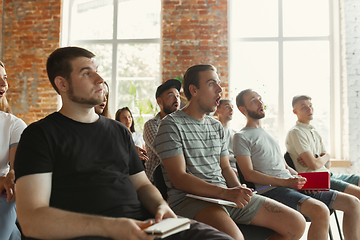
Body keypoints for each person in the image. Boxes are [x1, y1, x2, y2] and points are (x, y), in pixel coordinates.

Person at [14, 46, 234, 240]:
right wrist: (113, 227)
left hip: (144, 226)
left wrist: (161, 207)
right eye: (86, 73)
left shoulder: (118, 131)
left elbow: (142, 185)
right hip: (93, 233)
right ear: (61, 83)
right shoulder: (39, 135)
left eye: (97, 70)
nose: (100, 79)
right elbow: (32, 218)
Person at [153, 64, 306, 240]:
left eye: (219, 83)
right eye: (212, 84)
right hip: (191, 201)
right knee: (235, 238)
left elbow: (225, 168)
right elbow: (179, 178)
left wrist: (238, 189)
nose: (220, 89)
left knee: (296, 223)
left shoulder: (216, 126)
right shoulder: (171, 125)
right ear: (193, 90)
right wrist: (226, 193)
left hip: (224, 195)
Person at [234, 89, 360, 240]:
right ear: (243, 109)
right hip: (272, 190)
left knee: (352, 202)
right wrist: (287, 182)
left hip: (290, 185)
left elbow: (286, 168)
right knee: (320, 210)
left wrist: (304, 181)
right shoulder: (241, 136)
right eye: (254, 101)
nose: (260, 103)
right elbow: (248, 173)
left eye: (260, 99)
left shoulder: (268, 135)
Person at [286, 95, 360, 199]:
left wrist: (319, 158)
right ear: (295, 111)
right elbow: (314, 165)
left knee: (358, 179)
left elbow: (328, 164)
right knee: (358, 193)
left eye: (310, 105)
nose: (309, 109)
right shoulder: (296, 132)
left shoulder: (314, 131)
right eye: (303, 107)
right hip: (316, 179)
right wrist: (324, 157)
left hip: (327, 174)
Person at [0, 61, 26, 240]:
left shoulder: (14, 125)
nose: (4, 84)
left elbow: (16, 171)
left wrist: (9, 177)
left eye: (5, 78)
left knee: (11, 193)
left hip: (3, 196)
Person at [143, 79, 181, 183]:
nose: (176, 99)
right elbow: (165, 152)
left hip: (179, 181)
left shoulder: (183, 124)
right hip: (156, 183)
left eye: (178, 95)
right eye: (170, 95)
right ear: (160, 101)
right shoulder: (151, 125)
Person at [215, 99, 237, 173]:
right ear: (217, 110)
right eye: (227, 107)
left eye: (232, 107)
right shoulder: (214, 131)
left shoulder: (235, 134)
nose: (231, 110)